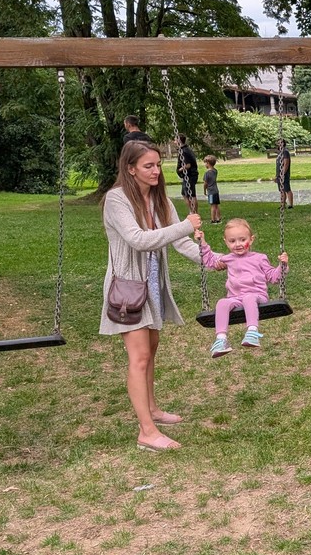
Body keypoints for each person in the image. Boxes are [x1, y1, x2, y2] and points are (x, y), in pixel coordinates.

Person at [101, 140, 202, 452]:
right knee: (140, 356)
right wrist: (184, 226)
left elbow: (181, 242)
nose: (156, 171)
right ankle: (146, 432)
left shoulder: (160, 200)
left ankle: (153, 409)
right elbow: (139, 240)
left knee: (151, 349)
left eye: (158, 164)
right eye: (148, 166)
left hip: (153, 284)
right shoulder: (116, 199)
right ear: (131, 168)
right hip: (128, 289)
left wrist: (213, 260)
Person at [194, 218, 289, 357]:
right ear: (226, 242)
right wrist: (202, 242)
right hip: (235, 298)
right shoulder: (228, 259)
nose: (238, 244)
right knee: (222, 302)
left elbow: (273, 277)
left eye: (242, 240)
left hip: (257, 296)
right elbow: (209, 261)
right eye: (232, 241)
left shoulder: (259, 258)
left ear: (251, 239)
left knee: (248, 298)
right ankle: (221, 340)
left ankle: (252, 332)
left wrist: (282, 265)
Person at [175, 134, 198, 213]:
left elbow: (188, 165)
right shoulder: (184, 149)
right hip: (187, 176)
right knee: (184, 194)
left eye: (175, 140)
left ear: (179, 140)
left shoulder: (184, 151)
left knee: (191, 195)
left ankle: (194, 212)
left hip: (190, 175)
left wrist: (180, 170)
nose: (174, 142)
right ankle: (191, 211)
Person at [275, 138, 293, 209]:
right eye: (278, 143)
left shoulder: (285, 152)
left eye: (281, 142)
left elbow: (286, 164)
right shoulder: (280, 152)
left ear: (284, 143)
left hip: (284, 174)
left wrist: (283, 174)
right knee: (281, 190)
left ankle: (291, 205)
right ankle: (283, 205)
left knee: (287, 189)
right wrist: (277, 175)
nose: (280, 144)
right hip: (279, 174)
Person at [203, 155, 221, 224]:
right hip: (216, 191)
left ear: (208, 163)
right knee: (216, 205)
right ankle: (218, 218)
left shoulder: (207, 173)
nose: (205, 164)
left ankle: (213, 220)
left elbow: (205, 183)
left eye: (205, 163)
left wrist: (204, 191)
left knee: (212, 206)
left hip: (210, 192)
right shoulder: (215, 171)